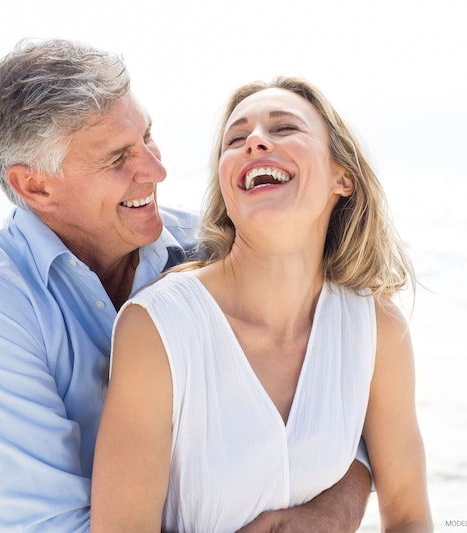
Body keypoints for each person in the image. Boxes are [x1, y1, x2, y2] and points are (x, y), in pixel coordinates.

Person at [0, 40, 372, 532]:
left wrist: (330, 513)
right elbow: (53, 526)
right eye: (118, 158)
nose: (157, 171)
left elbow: (338, 409)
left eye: (148, 138)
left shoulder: (213, 251)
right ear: (37, 187)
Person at [91, 76, 433, 532]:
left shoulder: (378, 329)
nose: (254, 142)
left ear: (342, 178)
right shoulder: (156, 329)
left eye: (284, 128)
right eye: (236, 138)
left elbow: (410, 517)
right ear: (226, 191)